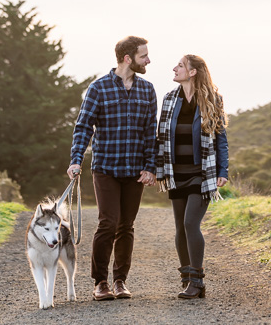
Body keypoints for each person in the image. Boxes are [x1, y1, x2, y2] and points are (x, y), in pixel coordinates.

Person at [67, 35, 157, 302]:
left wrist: (150, 166)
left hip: (135, 171)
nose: (148, 60)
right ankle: (100, 282)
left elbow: (150, 132)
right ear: (128, 58)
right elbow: (83, 126)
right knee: (108, 223)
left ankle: (120, 281)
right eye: (144, 56)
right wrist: (75, 159)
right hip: (105, 167)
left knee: (126, 225)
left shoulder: (147, 90)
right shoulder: (99, 88)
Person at [155, 54, 229, 299]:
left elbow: (221, 139)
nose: (174, 68)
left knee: (190, 224)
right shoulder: (169, 100)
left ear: (193, 71)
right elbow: (160, 138)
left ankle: (197, 280)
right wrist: (157, 169)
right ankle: (188, 280)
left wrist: (222, 171)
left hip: (201, 173)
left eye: (180, 65)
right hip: (176, 172)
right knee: (179, 228)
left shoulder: (212, 100)